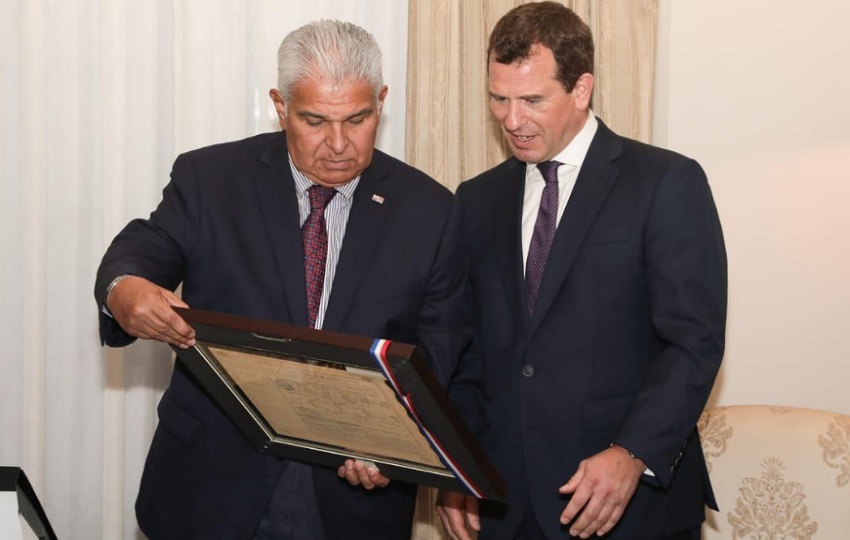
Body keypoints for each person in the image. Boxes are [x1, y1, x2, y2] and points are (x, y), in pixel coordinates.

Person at [95, 19, 468, 540]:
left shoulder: (430, 211)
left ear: (381, 101)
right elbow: (142, 250)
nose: (338, 143)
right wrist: (124, 291)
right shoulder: (212, 179)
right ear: (280, 105)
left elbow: (441, 353)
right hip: (211, 482)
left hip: (350, 496)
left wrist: (397, 446)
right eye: (315, 120)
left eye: (357, 119)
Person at [437, 3, 727, 539]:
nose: (511, 119)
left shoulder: (665, 183)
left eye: (532, 100)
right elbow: (470, 354)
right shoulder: (476, 200)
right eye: (498, 99)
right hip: (506, 503)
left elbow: (693, 343)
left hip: (625, 505)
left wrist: (633, 452)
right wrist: (460, 465)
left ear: (582, 89)